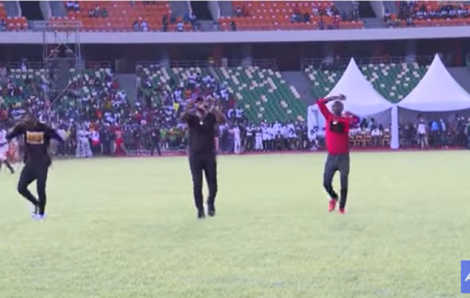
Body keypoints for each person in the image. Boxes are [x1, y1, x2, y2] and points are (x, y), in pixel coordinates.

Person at [6, 113, 63, 220]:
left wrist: (52, 148)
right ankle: (36, 203)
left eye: (27, 119)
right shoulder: (22, 128)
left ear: (34, 119)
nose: (26, 122)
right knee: (21, 187)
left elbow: (59, 138)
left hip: (42, 163)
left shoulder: (43, 128)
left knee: (40, 188)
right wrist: (16, 126)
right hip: (30, 163)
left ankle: (41, 213)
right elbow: (8, 136)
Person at [181, 97, 226, 219]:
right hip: (195, 155)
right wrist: (189, 108)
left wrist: (213, 109)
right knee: (197, 183)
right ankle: (200, 210)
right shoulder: (192, 119)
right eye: (199, 103)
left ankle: (210, 203)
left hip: (209, 154)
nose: (202, 105)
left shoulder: (211, 117)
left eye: (203, 102)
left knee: (213, 184)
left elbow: (223, 120)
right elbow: (182, 118)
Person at [316, 94, 357, 214]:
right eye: (334, 106)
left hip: (343, 157)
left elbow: (357, 120)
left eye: (338, 107)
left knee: (344, 183)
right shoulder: (328, 117)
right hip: (332, 156)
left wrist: (350, 114)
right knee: (326, 182)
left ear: (341, 109)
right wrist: (334, 97)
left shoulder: (345, 120)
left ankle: (342, 207)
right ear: (332, 109)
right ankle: (334, 198)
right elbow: (320, 102)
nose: (335, 108)